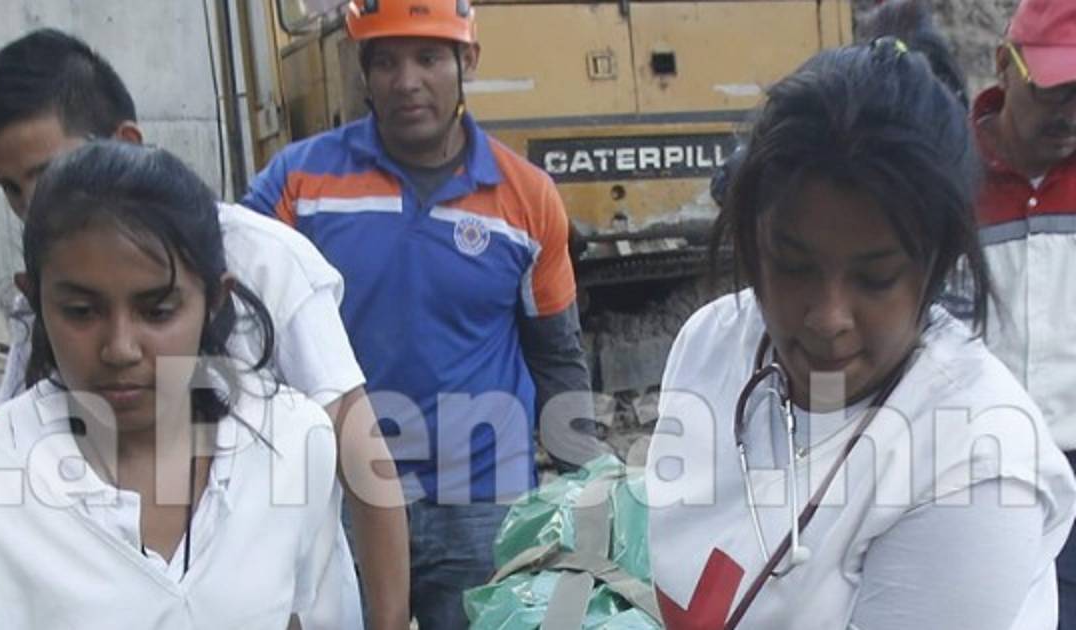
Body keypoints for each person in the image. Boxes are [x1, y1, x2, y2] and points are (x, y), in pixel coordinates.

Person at [0, 29, 409, 628]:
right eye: (11, 190)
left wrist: (389, 620)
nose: (32, 207)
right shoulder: (48, 294)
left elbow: (363, 461)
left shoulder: (265, 262)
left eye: (159, 309)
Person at [646, 39, 1076, 629]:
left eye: (875, 279)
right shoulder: (708, 344)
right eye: (793, 266)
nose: (828, 318)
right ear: (751, 242)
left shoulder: (976, 468)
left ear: (935, 266)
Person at [0, 141, 352, 627]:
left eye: (158, 311)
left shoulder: (290, 444)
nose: (120, 348)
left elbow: (299, 614)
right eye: (81, 312)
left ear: (214, 300)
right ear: (35, 300)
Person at [242, 0, 604, 624]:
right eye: (385, 62)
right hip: (340, 495)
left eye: (429, 58)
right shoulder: (298, 185)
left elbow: (556, 357)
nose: (406, 81)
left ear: (468, 61)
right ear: (363, 71)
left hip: (483, 500)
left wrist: (591, 495)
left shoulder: (526, 199)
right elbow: (235, 315)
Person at [972, 1, 1076, 626]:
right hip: (976, 469)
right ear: (1004, 67)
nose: (1070, 114)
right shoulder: (943, 176)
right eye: (1055, 90)